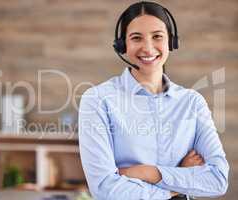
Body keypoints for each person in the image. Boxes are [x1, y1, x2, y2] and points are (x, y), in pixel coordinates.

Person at [78, 1, 229, 200]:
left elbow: (218, 180)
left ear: (171, 42)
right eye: (136, 38)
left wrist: (147, 172)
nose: (148, 48)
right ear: (123, 44)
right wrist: (178, 185)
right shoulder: (98, 100)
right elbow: (105, 189)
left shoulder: (192, 103)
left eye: (157, 36)